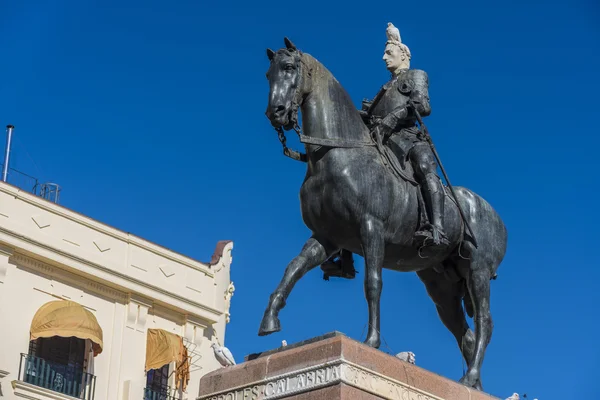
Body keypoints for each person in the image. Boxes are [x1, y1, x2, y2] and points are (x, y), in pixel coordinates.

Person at [361, 22, 448, 247]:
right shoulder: (384, 88)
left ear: (403, 55)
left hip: (409, 139)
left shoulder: (416, 76)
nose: (383, 57)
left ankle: (437, 228)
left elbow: (423, 105)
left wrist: (394, 116)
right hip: (383, 142)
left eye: (388, 53)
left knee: (425, 166)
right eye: (384, 53)